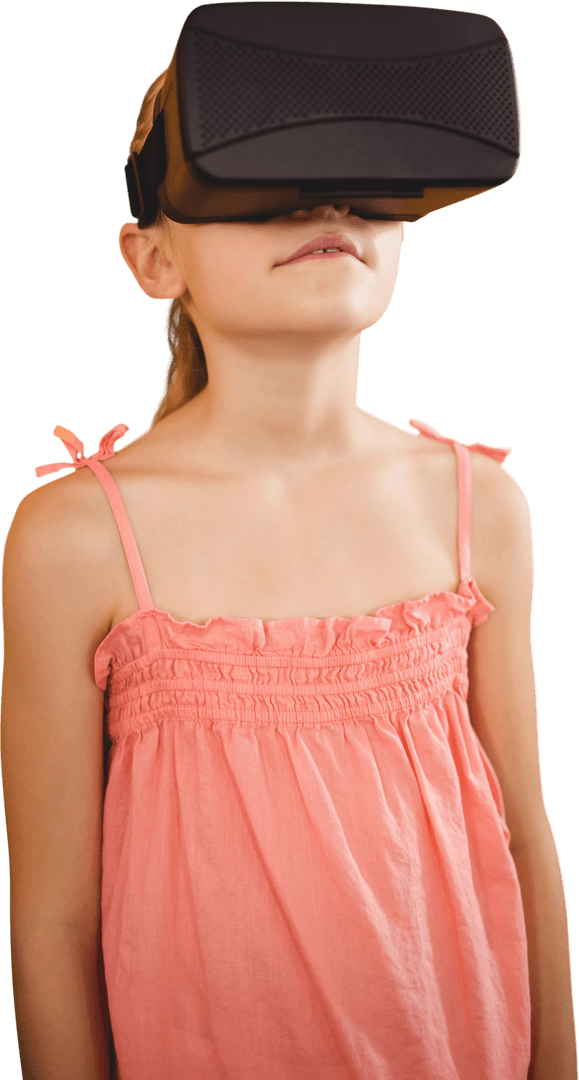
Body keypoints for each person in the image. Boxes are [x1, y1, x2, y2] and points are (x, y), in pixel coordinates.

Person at [2, 65, 577, 1080]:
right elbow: (54, 921)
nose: (323, 200)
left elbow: (527, 841)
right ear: (153, 258)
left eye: (361, 171)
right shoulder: (76, 538)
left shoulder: (480, 509)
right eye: (256, 164)